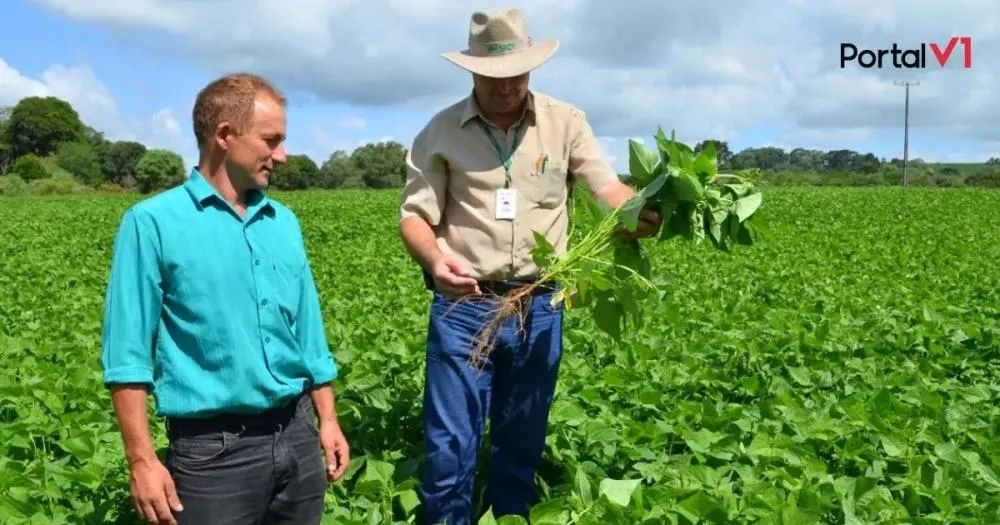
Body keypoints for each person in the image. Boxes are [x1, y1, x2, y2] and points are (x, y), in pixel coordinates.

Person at [398, 8, 662, 524]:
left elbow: (605, 187)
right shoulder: (441, 131)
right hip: (464, 306)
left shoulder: (565, 123)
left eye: (517, 74)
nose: (507, 86)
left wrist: (633, 213)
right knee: (451, 448)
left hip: (539, 304)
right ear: (473, 69)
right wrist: (434, 259)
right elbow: (414, 218)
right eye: (495, 76)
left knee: (521, 444)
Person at [100, 72, 349, 525]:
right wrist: (141, 460)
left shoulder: (283, 222)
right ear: (224, 135)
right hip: (214, 456)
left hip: (297, 437)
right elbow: (127, 356)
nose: (283, 155)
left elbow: (309, 333)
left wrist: (326, 419)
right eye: (271, 140)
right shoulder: (152, 223)